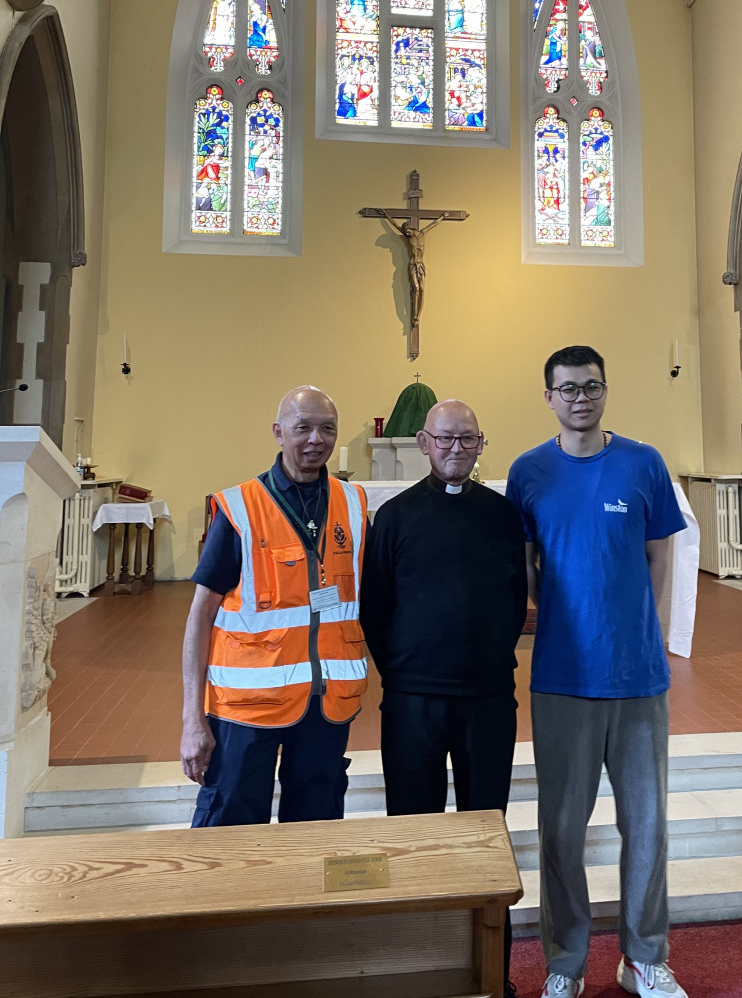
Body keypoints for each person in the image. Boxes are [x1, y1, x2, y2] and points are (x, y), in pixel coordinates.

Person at [506, 346, 690, 998]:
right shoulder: (528, 471)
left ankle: (643, 954)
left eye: (591, 385)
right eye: (568, 387)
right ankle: (565, 960)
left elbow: (660, 557)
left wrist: (657, 638)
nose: (580, 396)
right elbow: (525, 567)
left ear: (605, 389)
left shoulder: (642, 463)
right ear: (549, 396)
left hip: (638, 677)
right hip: (561, 676)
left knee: (647, 823)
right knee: (561, 827)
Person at [360, 398, 526, 998]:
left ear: (482, 446)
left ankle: (491, 972)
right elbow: (375, 606)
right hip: (412, 704)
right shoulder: (396, 517)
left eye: (467, 440)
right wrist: (404, 673)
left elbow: (515, 600)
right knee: (412, 835)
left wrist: (483, 660)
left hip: (486, 701)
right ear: (424, 444)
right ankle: (414, 967)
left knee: (486, 836)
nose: (456, 449)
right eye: (445, 439)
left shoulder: (504, 515)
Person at [180, 385, 368, 826]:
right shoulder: (240, 506)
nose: (316, 439)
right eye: (303, 427)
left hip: (326, 704)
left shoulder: (354, 504)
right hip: (248, 706)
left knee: (315, 830)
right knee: (231, 828)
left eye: (327, 429)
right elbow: (200, 616)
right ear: (278, 432)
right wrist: (191, 719)